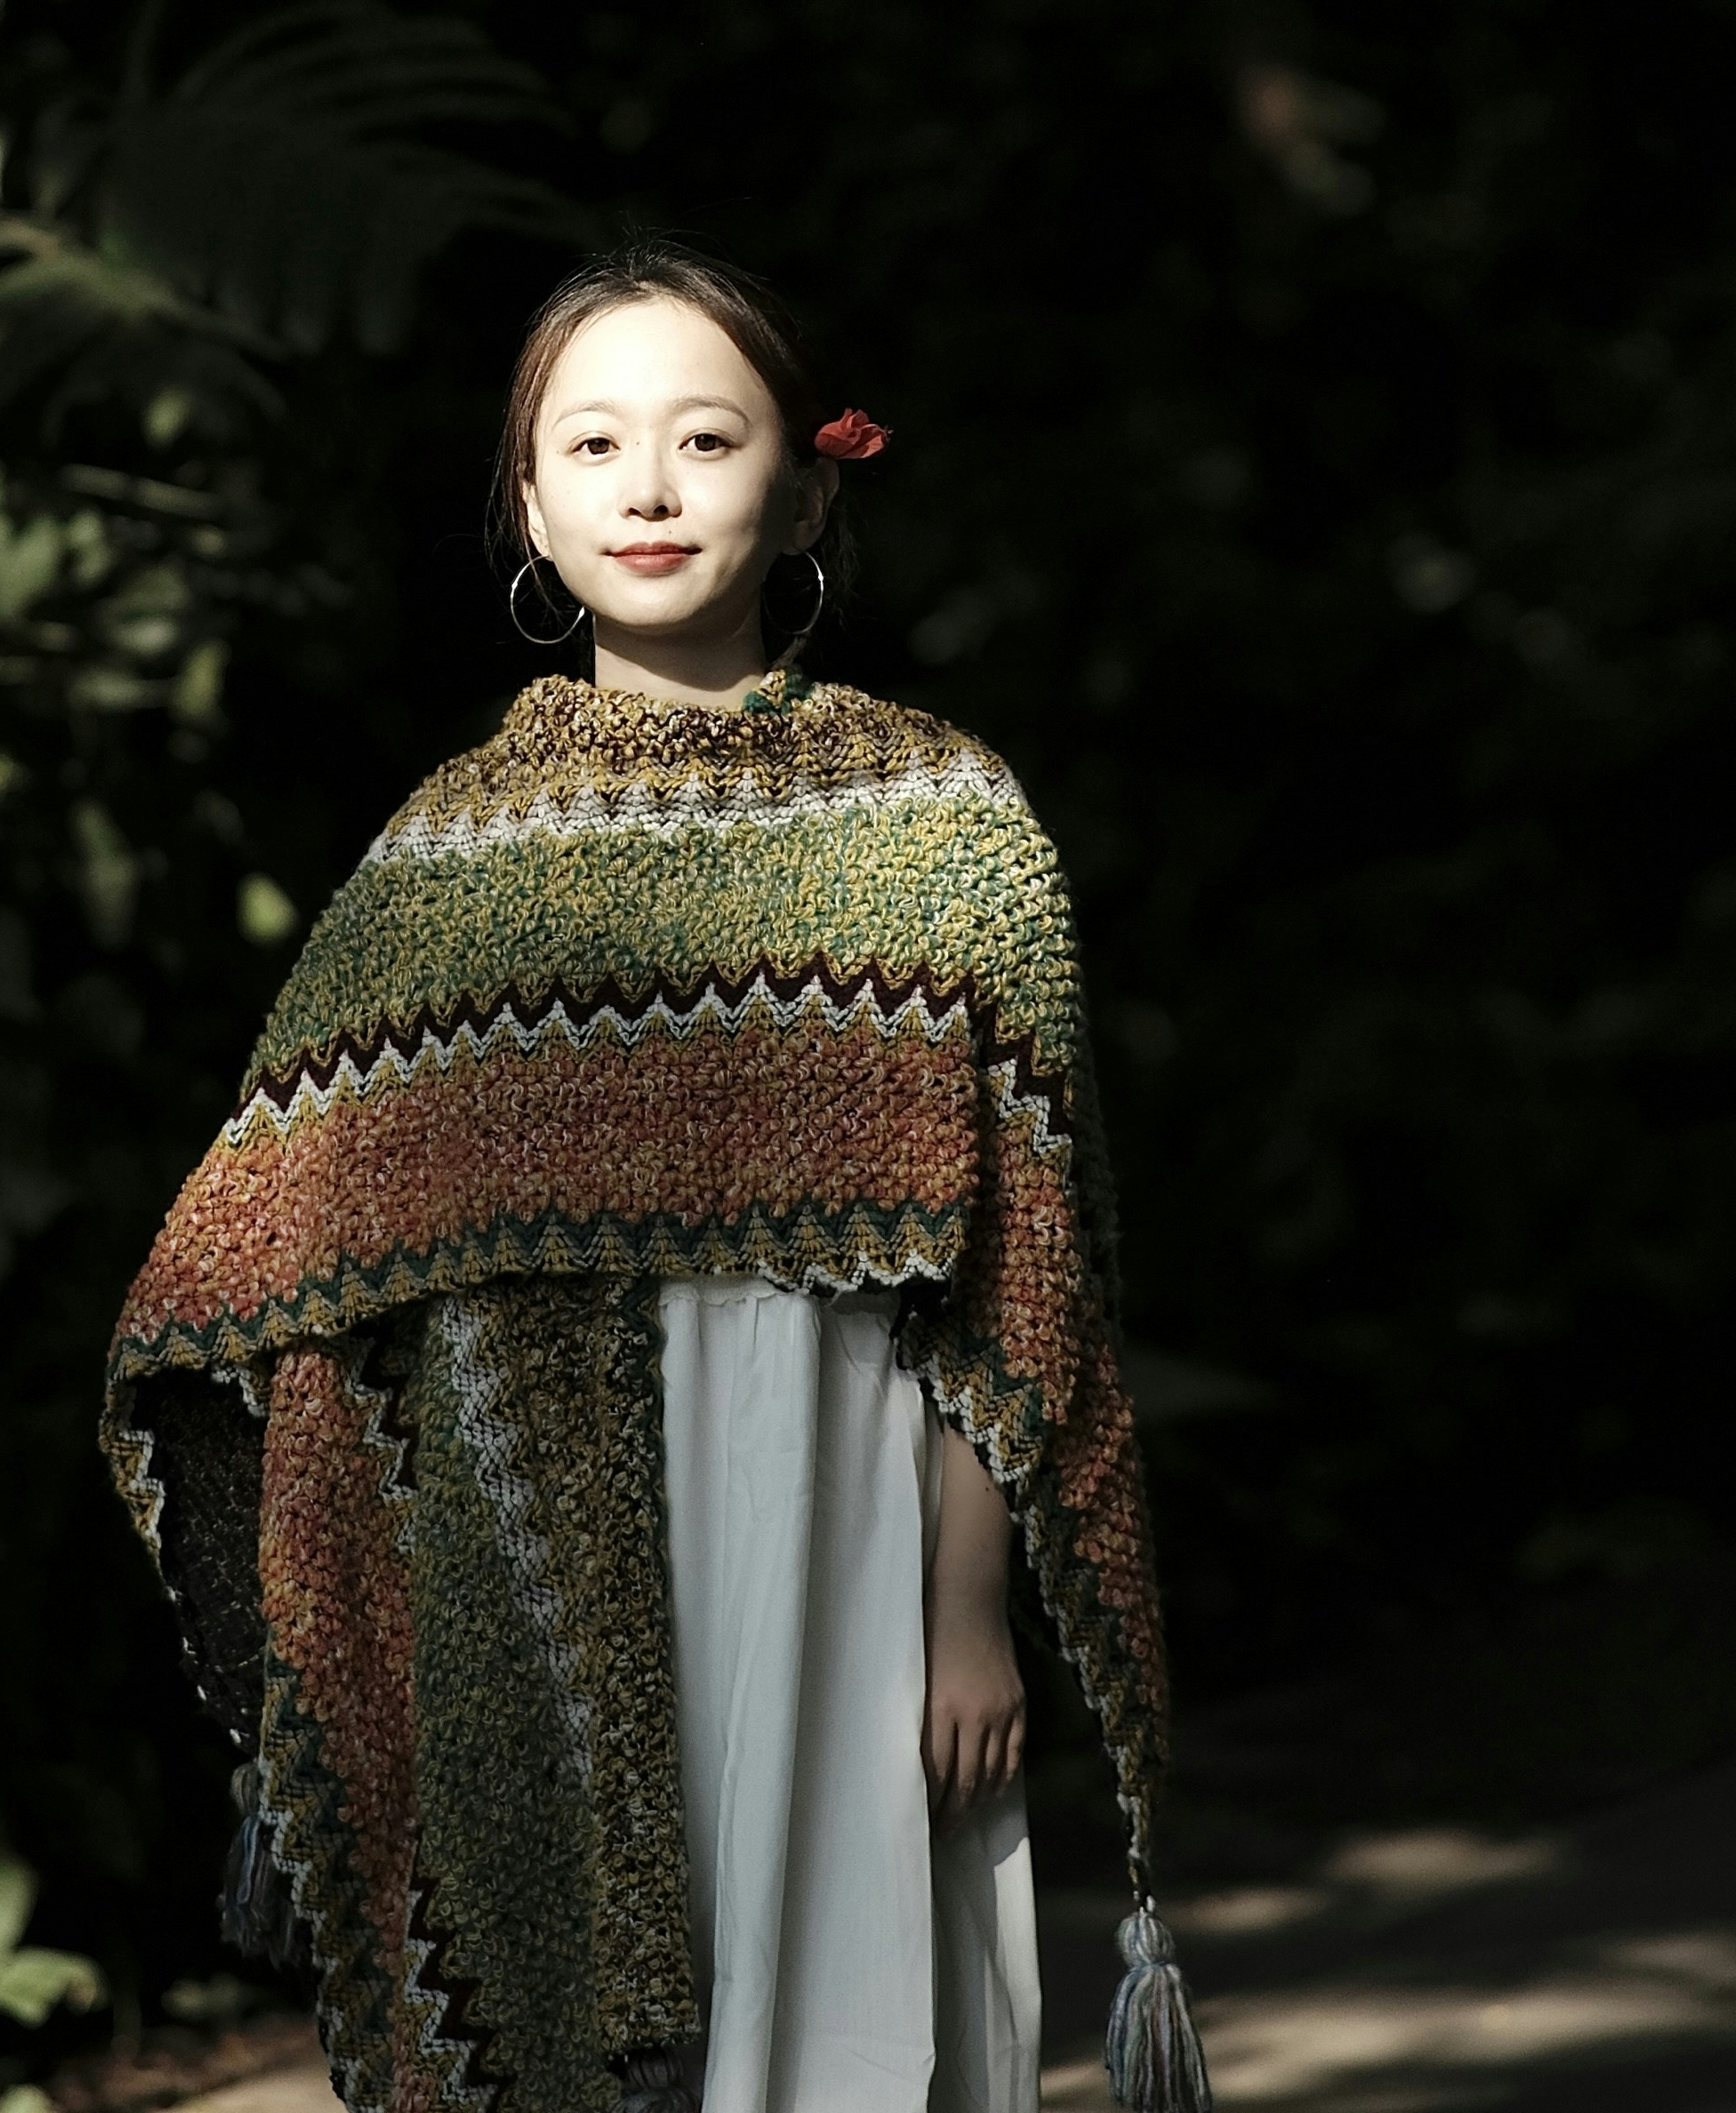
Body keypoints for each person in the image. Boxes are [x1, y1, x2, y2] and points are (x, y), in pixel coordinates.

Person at [103, 244, 1208, 2113]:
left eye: (706, 436)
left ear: (807, 479)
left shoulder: (945, 830)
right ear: (525, 503)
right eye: (592, 441)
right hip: (533, 1552)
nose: (648, 485)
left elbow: (1017, 1272)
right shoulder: (449, 860)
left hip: (851, 1523)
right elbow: (274, 1244)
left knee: (862, 2001)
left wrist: (966, 1602)